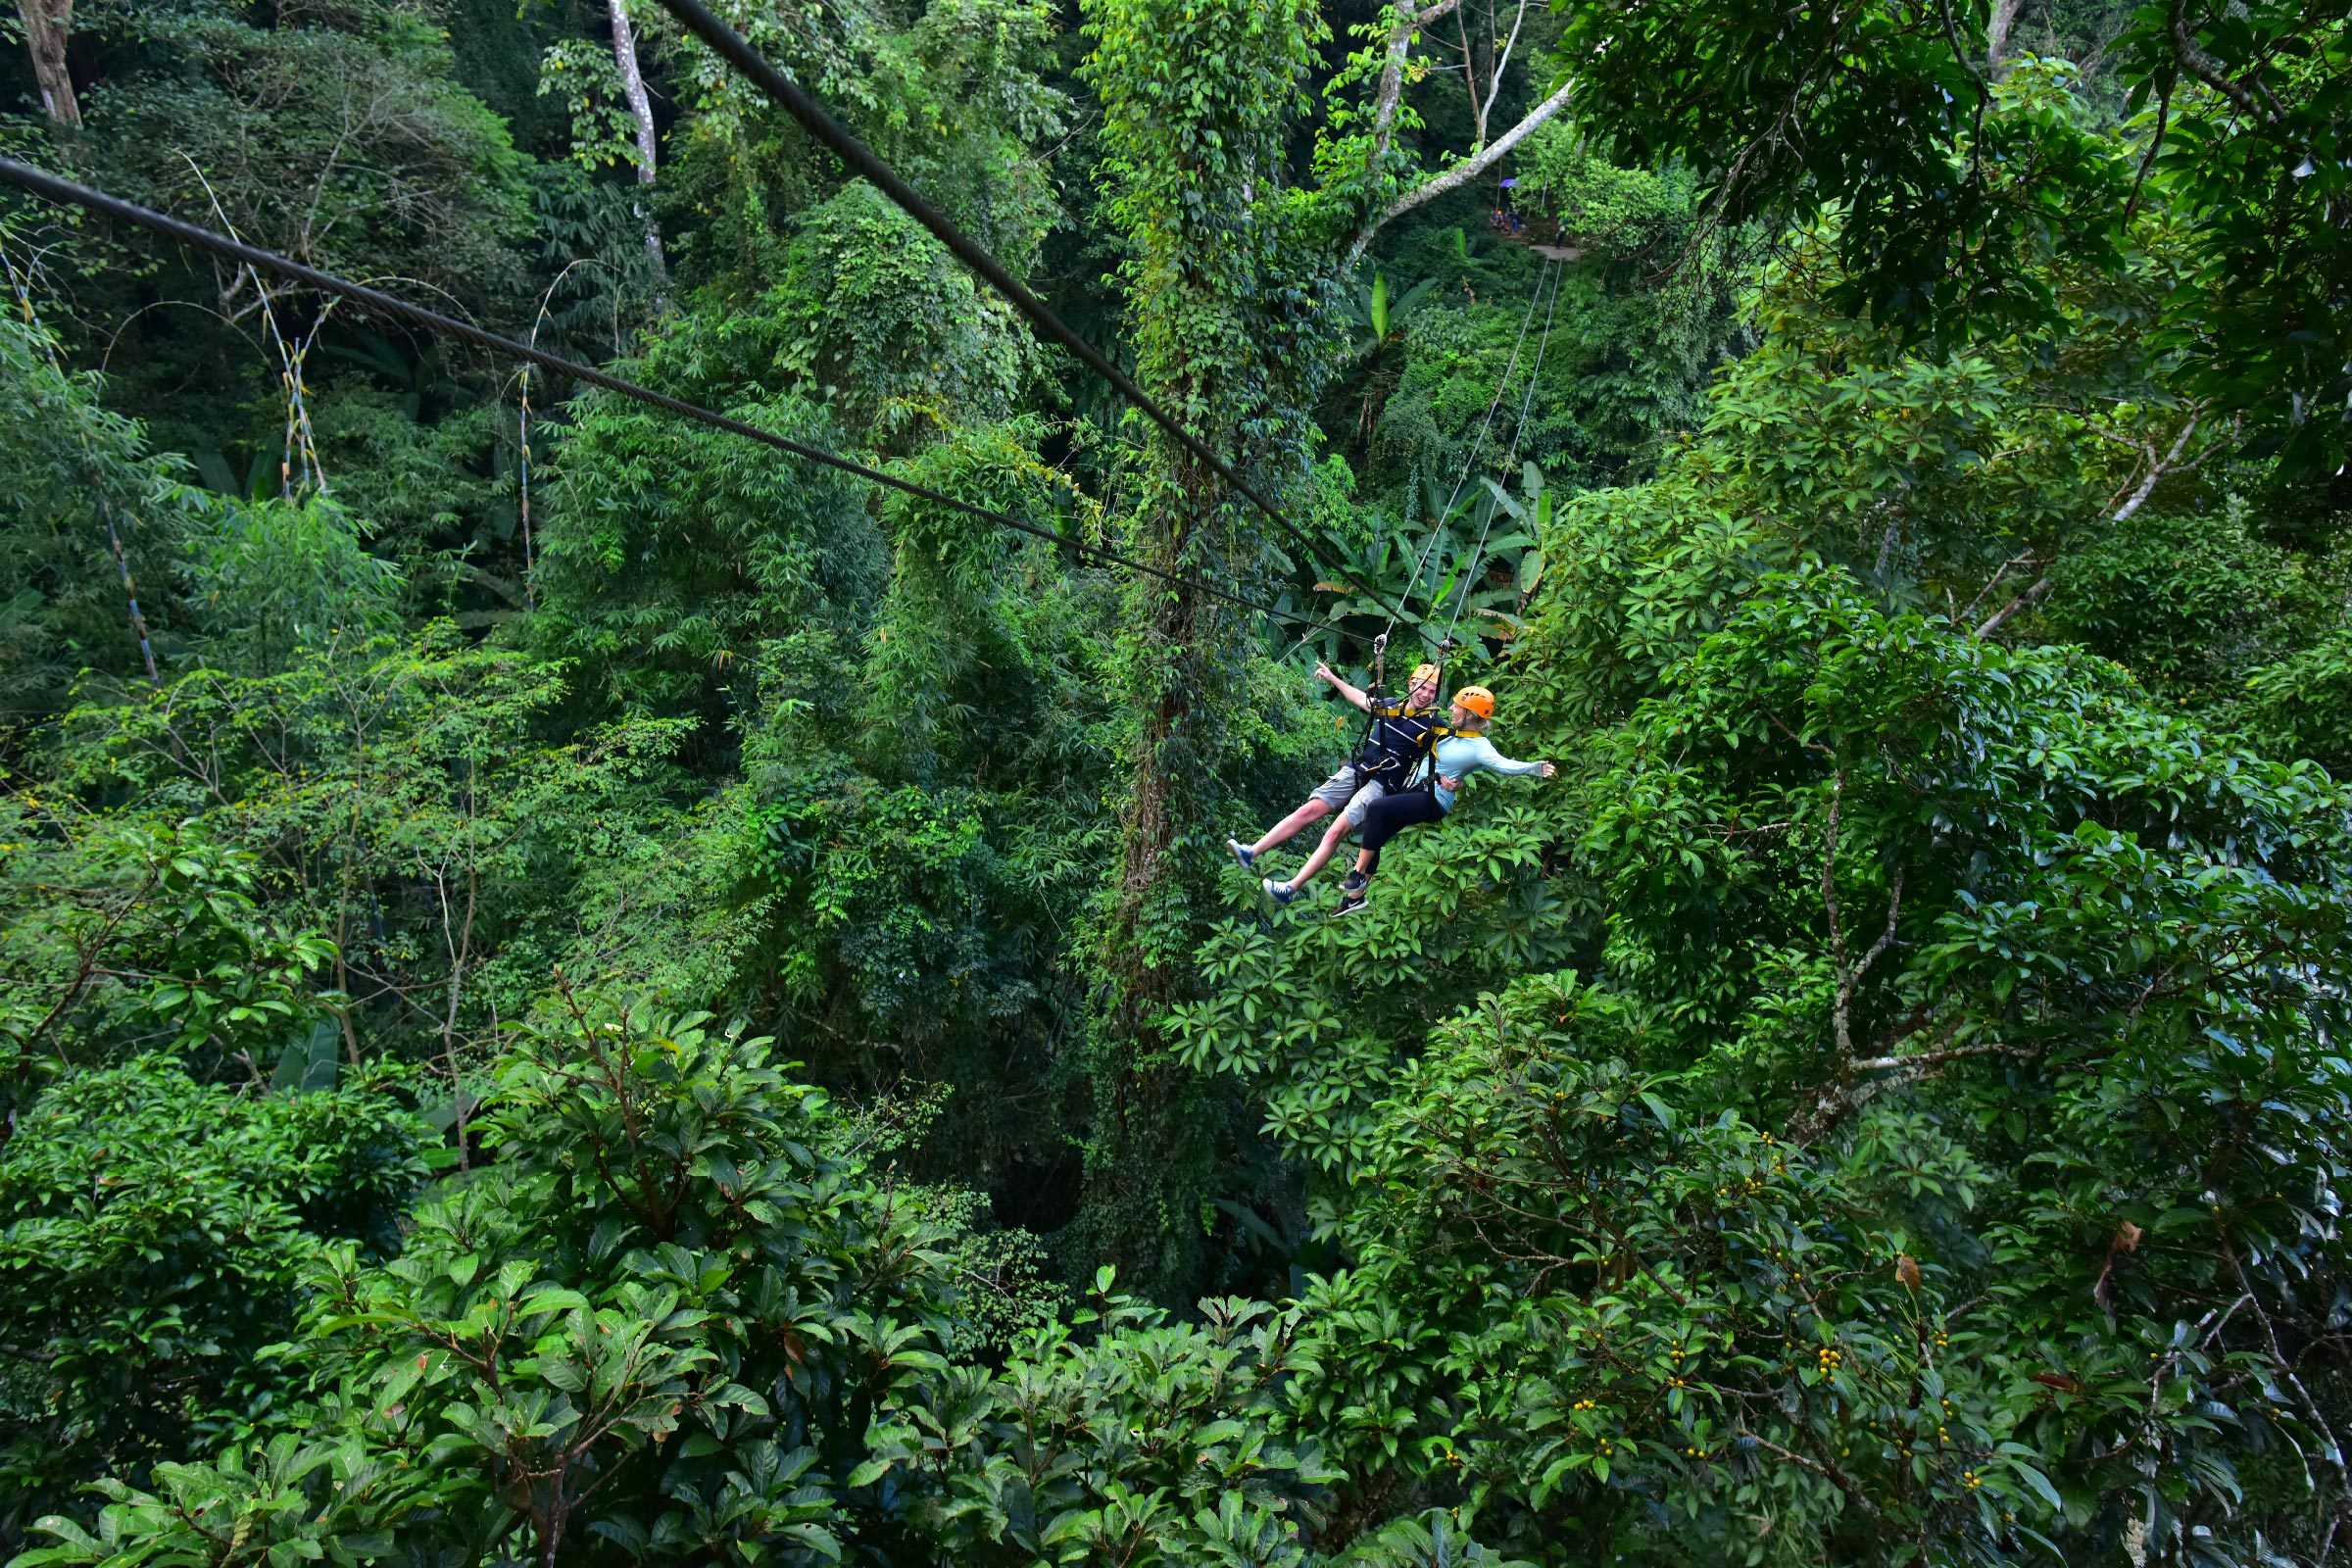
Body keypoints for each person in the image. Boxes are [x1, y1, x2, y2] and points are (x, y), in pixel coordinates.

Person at [1328, 683, 1554, 917]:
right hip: (1414, 791)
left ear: (1469, 714)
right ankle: (1356, 898)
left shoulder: (1480, 747)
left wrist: (1534, 768)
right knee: (1376, 834)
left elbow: (1504, 765)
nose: (1451, 708)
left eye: (1457, 706)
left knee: (1376, 809)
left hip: (1433, 799)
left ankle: (1357, 873)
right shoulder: (1449, 732)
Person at [1229, 661, 1441, 902]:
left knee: (1335, 831)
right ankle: (1251, 852)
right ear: (1411, 684)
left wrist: (1452, 780)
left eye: (1431, 691)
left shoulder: (1433, 724)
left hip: (1383, 784)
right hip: (1359, 768)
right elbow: (1361, 699)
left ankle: (1290, 888)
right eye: (1422, 687)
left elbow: (1457, 746)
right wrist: (1332, 678)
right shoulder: (1390, 705)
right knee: (1309, 810)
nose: (1425, 694)